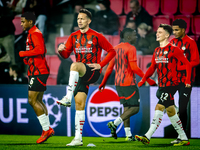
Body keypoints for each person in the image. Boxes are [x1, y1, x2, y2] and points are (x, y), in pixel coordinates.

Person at [56, 9, 116, 146]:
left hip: (92, 71)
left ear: (89, 21)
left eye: (82, 18)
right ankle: (78, 138)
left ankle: (67, 97)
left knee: (75, 65)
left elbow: (112, 51)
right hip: (81, 76)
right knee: (79, 104)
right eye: (78, 19)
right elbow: (66, 55)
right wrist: (61, 51)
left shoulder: (97, 36)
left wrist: (101, 65)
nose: (79, 21)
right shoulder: (73, 36)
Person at [135, 24, 192, 146]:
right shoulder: (156, 51)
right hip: (162, 85)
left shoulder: (174, 49)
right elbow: (152, 68)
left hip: (171, 84)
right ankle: (184, 138)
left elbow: (187, 64)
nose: (157, 34)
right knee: (171, 111)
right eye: (157, 32)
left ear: (167, 35)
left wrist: (187, 80)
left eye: (160, 32)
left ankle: (147, 136)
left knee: (159, 107)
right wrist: (142, 79)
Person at [99, 28, 156, 141]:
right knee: (135, 109)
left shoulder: (115, 49)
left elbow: (109, 68)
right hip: (129, 82)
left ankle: (128, 135)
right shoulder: (131, 48)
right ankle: (115, 124)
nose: (136, 37)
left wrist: (103, 83)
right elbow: (134, 68)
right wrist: (147, 79)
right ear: (129, 37)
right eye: (134, 35)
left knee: (127, 109)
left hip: (118, 84)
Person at [19, 12, 54, 144]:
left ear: (30, 22)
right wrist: (28, 59)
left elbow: (41, 50)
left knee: (32, 100)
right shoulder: (32, 33)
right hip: (38, 69)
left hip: (38, 71)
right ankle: (47, 128)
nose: (21, 24)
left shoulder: (35, 33)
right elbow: (36, 52)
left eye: (23, 22)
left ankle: (46, 129)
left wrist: (24, 53)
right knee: (39, 99)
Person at [170, 19, 200, 143]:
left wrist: (180, 67)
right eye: (173, 30)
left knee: (183, 108)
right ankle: (174, 109)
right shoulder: (172, 42)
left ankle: (182, 136)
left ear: (183, 30)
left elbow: (196, 61)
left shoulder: (191, 42)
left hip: (186, 80)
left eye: (177, 30)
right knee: (164, 101)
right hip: (173, 79)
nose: (175, 32)